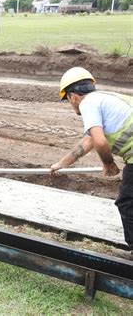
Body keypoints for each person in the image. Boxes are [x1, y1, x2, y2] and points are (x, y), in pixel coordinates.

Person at [50, 67, 133, 260]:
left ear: (72, 97)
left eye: (68, 101)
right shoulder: (104, 98)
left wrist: (109, 164)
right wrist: (61, 164)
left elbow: (100, 141)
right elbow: (87, 142)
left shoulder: (88, 104)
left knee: (127, 202)